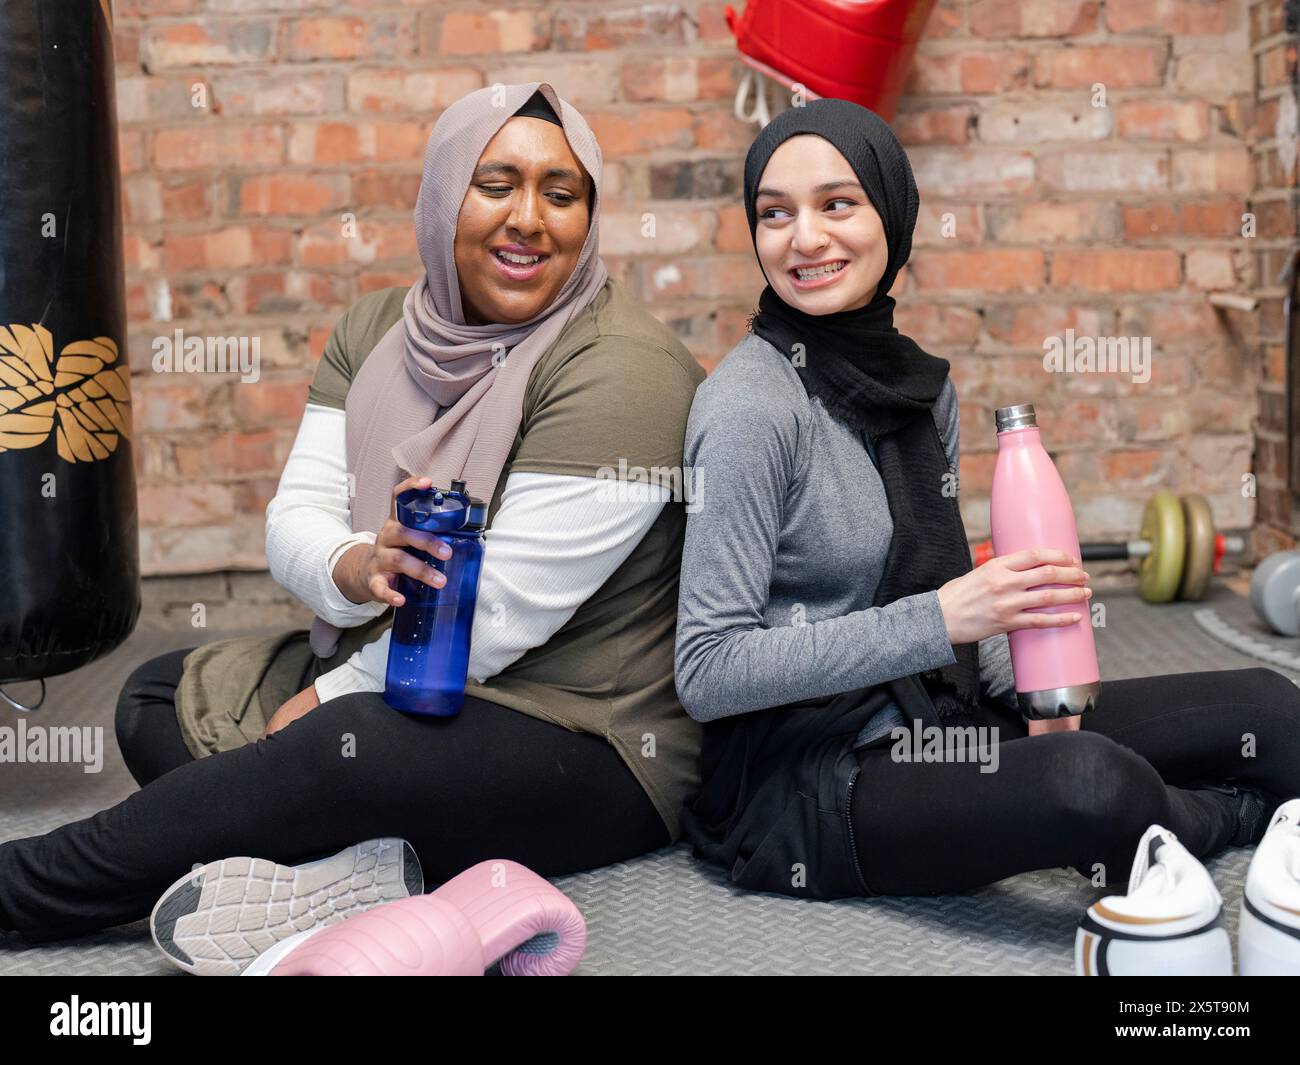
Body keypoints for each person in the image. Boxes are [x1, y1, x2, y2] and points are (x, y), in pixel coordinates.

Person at [0, 83, 704, 945]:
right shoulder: (379, 328)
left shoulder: (627, 369)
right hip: (392, 660)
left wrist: (330, 699)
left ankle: (25, 888)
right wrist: (355, 567)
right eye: (496, 185)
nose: (530, 219)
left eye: (562, 195)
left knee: (346, 745)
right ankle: (350, 875)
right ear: (445, 194)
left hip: (580, 732)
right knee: (162, 692)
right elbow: (298, 510)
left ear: (588, 218)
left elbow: (495, 617)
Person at [674, 97, 1300, 900]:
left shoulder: (920, 386)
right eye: (774, 213)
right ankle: (1239, 818)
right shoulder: (749, 406)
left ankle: (1166, 816)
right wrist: (938, 622)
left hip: (948, 712)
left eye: (837, 203)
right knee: (1089, 785)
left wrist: (1037, 697)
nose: (804, 238)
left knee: (1271, 708)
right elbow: (708, 667)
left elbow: (969, 596)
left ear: (892, 214)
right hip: (818, 770)